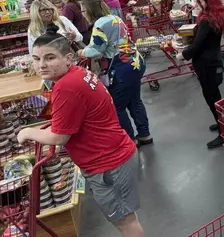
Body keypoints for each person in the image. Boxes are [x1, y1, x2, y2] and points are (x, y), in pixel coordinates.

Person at [17, 26, 145, 237]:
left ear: (68, 58)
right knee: (127, 217)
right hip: (115, 154)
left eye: (50, 58)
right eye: (37, 58)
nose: (42, 64)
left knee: (126, 222)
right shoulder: (78, 74)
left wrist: (27, 133)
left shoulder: (66, 86)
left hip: (108, 164)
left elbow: (59, 137)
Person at [78, 0, 153, 147]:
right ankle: (144, 134)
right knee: (134, 100)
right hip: (135, 62)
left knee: (117, 106)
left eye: (83, 10)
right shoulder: (114, 17)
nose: (82, 13)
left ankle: (129, 140)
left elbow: (97, 50)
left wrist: (82, 52)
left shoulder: (99, 24)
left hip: (121, 67)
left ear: (90, 9)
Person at [176, 0, 224, 149]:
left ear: (207, 1)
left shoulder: (207, 21)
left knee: (212, 99)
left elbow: (196, 47)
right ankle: (221, 123)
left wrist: (181, 54)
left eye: (198, 0)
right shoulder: (215, 17)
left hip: (207, 66)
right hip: (213, 64)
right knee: (215, 97)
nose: (195, 4)